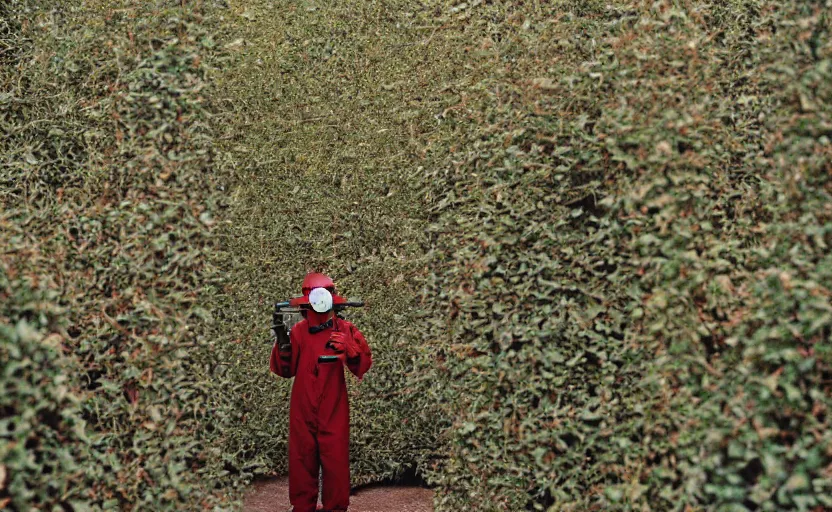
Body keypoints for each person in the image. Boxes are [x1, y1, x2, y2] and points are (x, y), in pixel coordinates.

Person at [270, 272, 372, 512]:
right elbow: (285, 370)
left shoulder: (346, 329)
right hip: (302, 406)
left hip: (333, 406)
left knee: (335, 460)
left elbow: (363, 364)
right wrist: (283, 343)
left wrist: (351, 350)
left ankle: (335, 508)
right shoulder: (297, 332)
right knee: (301, 457)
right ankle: (302, 507)